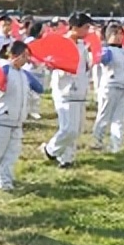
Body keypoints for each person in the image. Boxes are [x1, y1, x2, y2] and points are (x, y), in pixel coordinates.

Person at [0, 41, 45, 190]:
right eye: (24, 56)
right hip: (0, 118)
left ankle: (5, 181)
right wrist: (0, 77)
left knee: (11, 153)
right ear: (14, 55)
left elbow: (39, 88)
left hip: (16, 120)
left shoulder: (23, 74)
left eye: (27, 56)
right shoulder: (3, 68)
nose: (26, 60)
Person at [38, 12, 93, 168]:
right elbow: (49, 63)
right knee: (69, 129)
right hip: (65, 90)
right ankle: (50, 150)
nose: (87, 31)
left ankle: (67, 159)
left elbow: (84, 67)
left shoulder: (82, 45)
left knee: (77, 129)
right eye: (85, 27)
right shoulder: (61, 43)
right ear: (75, 27)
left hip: (80, 89)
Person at [92, 23, 124, 153]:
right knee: (104, 115)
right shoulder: (107, 50)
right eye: (115, 34)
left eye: (121, 33)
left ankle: (116, 145)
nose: (119, 36)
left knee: (120, 119)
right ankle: (97, 140)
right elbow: (101, 59)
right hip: (111, 86)